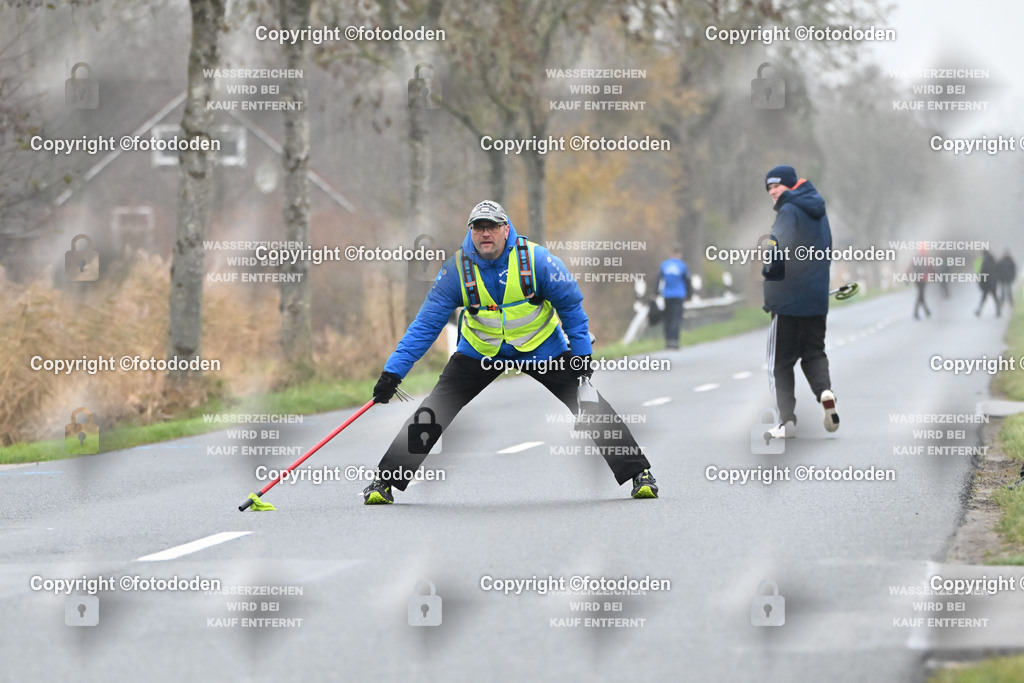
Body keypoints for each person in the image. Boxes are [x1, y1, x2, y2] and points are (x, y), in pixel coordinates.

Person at [362, 200, 658, 504]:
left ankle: (640, 474)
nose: (485, 233)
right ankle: (385, 481)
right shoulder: (455, 270)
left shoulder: (538, 261)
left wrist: (581, 357)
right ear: (471, 232)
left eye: (491, 226)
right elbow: (425, 326)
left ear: (506, 229)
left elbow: (571, 308)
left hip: (540, 348)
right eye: (478, 227)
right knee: (434, 410)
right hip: (480, 352)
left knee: (589, 403)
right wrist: (393, 373)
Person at [761, 165, 839, 438]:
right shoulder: (819, 212)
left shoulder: (788, 211)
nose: (773, 192)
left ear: (791, 185)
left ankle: (786, 422)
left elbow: (776, 251)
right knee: (814, 353)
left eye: (777, 186)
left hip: (787, 301)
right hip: (816, 299)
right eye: (769, 188)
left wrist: (768, 272)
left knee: (779, 364)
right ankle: (825, 392)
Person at [657, 247, 691, 349]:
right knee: (676, 318)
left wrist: (656, 293)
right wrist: (689, 295)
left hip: (667, 295)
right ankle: (674, 340)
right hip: (678, 294)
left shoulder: (665, 265)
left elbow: (658, 280)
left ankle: (668, 340)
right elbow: (687, 281)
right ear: (679, 254)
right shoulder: (682, 266)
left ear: (672, 254)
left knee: (668, 318)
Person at [975, 250, 1001, 318]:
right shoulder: (994, 261)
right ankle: (998, 311)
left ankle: (979, 311)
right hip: (993, 282)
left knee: (984, 297)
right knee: (994, 297)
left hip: (987, 283)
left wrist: (980, 282)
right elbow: (998, 272)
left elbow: (983, 273)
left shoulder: (985, 262)